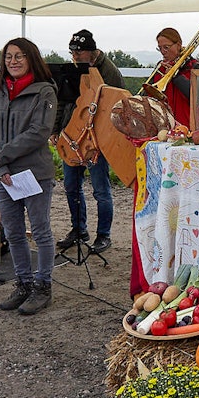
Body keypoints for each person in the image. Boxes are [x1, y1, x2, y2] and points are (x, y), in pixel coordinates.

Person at [0, 37, 58, 316]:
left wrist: (1, 157)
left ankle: (43, 287)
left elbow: (39, 132)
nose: (13, 61)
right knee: (13, 232)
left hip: (33, 174)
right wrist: (0, 167)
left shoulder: (45, 93)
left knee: (40, 231)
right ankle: (24, 283)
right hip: (3, 176)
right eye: (8, 56)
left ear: (31, 59)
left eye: (19, 56)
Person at [56, 29, 125, 255]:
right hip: (73, 134)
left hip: (97, 139)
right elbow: (62, 100)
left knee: (100, 189)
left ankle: (103, 235)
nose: (75, 56)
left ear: (92, 52)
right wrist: (57, 129)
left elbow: (119, 104)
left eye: (79, 52)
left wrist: (105, 139)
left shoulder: (110, 72)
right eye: (72, 52)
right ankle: (79, 230)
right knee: (70, 186)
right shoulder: (72, 70)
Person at [148, 26, 199, 128]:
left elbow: (198, 98)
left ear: (178, 45)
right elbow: (149, 93)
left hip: (188, 127)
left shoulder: (194, 67)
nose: (163, 51)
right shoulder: (161, 67)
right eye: (160, 48)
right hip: (163, 127)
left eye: (166, 47)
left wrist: (175, 76)